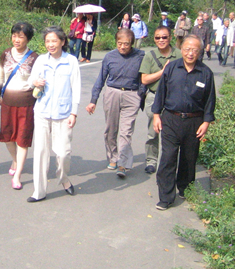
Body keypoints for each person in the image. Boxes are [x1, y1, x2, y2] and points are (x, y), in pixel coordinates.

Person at [152, 34, 216, 210]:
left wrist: (206, 122)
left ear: (199, 51)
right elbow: (161, 94)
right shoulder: (171, 68)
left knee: (189, 158)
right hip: (171, 119)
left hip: (194, 121)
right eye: (187, 49)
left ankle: (185, 188)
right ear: (181, 49)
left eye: (195, 50)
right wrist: (156, 115)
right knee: (168, 158)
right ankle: (165, 196)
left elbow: (210, 100)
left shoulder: (205, 73)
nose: (190, 53)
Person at [27, 26, 80, 202]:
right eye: (48, 41)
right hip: (42, 111)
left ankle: (64, 179)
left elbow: (76, 88)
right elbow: (30, 80)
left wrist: (74, 112)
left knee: (63, 153)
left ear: (62, 42)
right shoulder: (41, 60)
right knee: (41, 152)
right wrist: (34, 81)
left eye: (54, 41)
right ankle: (39, 191)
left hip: (64, 113)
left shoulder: (71, 61)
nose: (50, 44)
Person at [86, 28, 145, 179]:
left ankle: (122, 164)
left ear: (132, 43)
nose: (123, 47)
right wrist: (93, 100)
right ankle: (112, 157)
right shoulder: (109, 57)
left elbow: (144, 78)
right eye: (120, 43)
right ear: (116, 42)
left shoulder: (140, 56)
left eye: (126, 44)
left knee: (126, 131)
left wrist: (141, 95)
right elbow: (100, 79)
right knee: (111, 129)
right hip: (112, 93)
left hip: (132, 95)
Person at [0, 22, 39, 190]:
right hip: (8, 101)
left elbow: (38, 82)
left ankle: (18, 174)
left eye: (21, 36)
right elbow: (1, 75)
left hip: (27, 103)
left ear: (28, 39)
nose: (17, 39)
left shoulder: (35, 58)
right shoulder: (5, 54)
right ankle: (15, 159)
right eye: (14, 36)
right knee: (7, 137)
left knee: (22, 139)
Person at [139, 26, 182, 174]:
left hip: (174, 98)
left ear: (170, 38)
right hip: (154, 96)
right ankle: (151, 160)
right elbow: (144, 79)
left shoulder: (179, 55)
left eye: (164, 37)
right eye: (157, 37)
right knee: (153, 131)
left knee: (173, 131)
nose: (161, 40)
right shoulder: (150, 55)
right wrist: (162, 72)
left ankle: (170, 161)